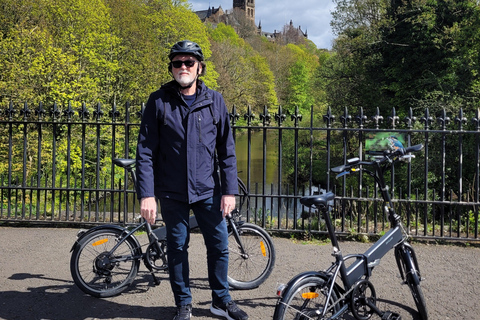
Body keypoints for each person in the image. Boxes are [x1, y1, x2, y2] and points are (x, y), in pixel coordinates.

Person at [135, 40, 248, 320]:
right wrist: (146, 194)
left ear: (199, 68)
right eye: (177, 63)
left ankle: (220, 301)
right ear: (171, 68)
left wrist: (229, 191)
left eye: (189, 62)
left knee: (219, 246)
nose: (183, 67)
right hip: (172, 191)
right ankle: (183, 304)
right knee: (176, 249)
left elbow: (227, 151)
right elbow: (145, 151)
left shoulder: (215, 101)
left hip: (209, 190)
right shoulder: (158, 101)